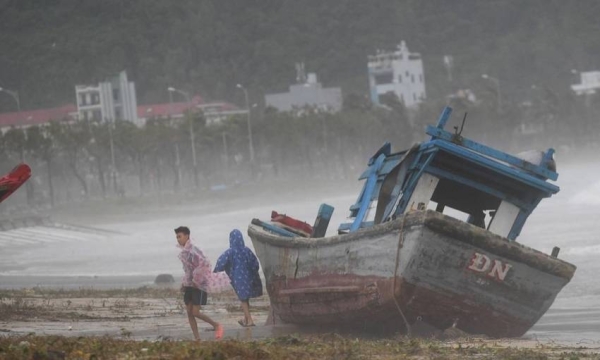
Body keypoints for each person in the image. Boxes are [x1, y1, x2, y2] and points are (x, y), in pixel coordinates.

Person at [175, 226, 224, 341]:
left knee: (195, 312)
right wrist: (184, 283)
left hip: (199, 284)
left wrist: (196, 280)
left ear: (187, 236)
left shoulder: (194, 249)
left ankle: (216, 325)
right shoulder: (184, 251)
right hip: (189, 285)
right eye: (177, 237)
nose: (178, 239)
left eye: (179, 236)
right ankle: (197, 338)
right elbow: (187, 269)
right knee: (189, 312)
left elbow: (204, 263)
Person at [214, 229, 263, 327]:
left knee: (243, 299)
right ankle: (246, 319)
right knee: (245, 298)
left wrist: (215, 271)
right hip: (249, 277)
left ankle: (250, 321)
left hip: (238, 279)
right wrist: (253, 272)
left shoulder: (230, 252)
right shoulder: (247, 250)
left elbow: (221, 262)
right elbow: (255, 264)